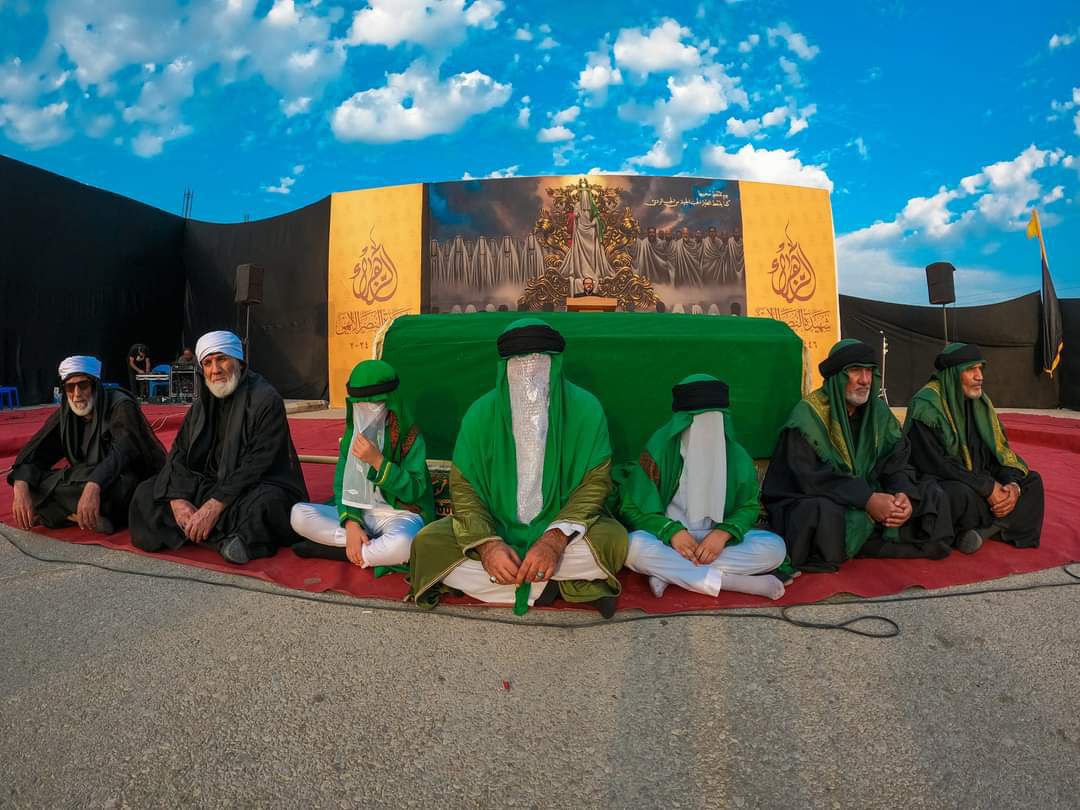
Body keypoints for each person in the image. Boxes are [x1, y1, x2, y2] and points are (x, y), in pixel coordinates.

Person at [408, 319, 628, 616]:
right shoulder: (480, 413)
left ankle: (509, 582)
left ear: (556, 365)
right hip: (495, 524)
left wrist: (554, 540)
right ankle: (551, 585)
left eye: (539, 364)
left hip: (562, 525)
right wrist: (487, 545)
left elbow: (595, 483)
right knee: (427, 544)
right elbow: (464, 489)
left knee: (614, 541)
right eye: (518, 364)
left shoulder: (586, 408)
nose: (529, 375)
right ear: (504, 367)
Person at [762, 339, 955, 572]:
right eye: (855, 371)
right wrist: (866, 499)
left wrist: (902, 495)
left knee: (931, 492)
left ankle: (873, 541)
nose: (865, 380)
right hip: (823, 496)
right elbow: (809, 478)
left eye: (869, 371)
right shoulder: (808, 417)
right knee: (821, 511)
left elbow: (896, 462)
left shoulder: (878, 413)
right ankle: (879, 544)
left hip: (871, 493)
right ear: (837, 376)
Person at [128, 330, 308, 564]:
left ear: (239, 362)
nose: (215, 370)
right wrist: (177, 499)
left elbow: (257, 463)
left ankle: (198, 532)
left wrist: (213, 507)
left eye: (222, 359)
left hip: (252, 485)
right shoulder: (201, 403)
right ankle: (223, 540)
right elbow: (179, 452)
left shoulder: (265, 399)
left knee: (267, 505)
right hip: (208, 483)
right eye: (208, 363)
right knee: (146, 492)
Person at [616, 374, 787, 600]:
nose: (708, 429)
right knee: (631, 546)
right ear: (682, 421)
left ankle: (667, 573)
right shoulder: (660, 450)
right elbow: (632, 507)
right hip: (667, 540)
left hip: (716, 543)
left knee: (775, 548)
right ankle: (733, 582)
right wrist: (671, 531)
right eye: (699, 420)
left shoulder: (736, 456)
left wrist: (723, 534)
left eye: (714, 419)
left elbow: (749, 506)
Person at [289, 360, 434, 571]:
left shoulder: (409, 435)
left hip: (399, 515)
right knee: (299, 515)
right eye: (359, 404)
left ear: (390, 401)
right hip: (362, 513)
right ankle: (365, 547)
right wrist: (351, 524)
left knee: (404, 543)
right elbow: (342, 484)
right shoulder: (353, 436)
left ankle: (340, 551)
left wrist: (378, 462)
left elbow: (414, 490)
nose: (366, 410)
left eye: (373, 404)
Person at [905, 342, 1044, 550]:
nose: (980, 376)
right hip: (945, 480)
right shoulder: (927, 405)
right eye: (971, 369)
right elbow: (935, 464)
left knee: (1032, 481)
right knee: (958, 494)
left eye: (980, 368)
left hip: (979, 479)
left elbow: (996, 453)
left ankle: (986, 530)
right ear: (953, 374)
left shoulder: (980, 403)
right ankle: (997, 526)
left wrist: (1011, 486)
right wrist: (986, 488)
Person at [8, 356, 165, 534]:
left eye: (83, 385)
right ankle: (76, 514)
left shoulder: (120, 405)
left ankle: (64, 513)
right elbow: (36, 452)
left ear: (95, 385)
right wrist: (20, 487)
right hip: (84, 477)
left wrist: (94, 485)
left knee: (120, 490)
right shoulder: (67, 412)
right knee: (33, 484)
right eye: (70, 387)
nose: (77, 394)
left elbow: (124, 451)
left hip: (122, 479)